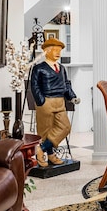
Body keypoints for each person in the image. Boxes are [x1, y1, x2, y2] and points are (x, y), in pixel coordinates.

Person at [30, 37, 79, 167]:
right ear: (47, 51)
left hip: (60, 102)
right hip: (46, 102)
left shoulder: (62, 68)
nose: (58, 53)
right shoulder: (39, 68)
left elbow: (67, 84)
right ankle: (50, 155)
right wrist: (41, 101)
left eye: (60, 50)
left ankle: (41, 149)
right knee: (45, 131)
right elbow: (34, 86)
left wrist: (72, 96)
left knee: (65, 127)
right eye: (55, 50)